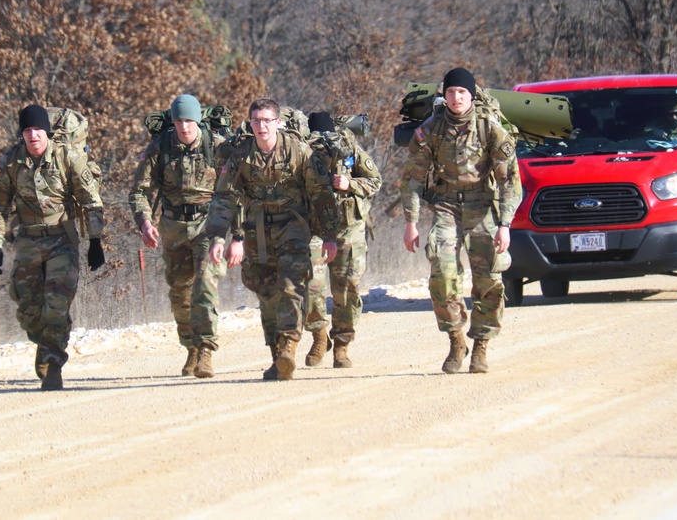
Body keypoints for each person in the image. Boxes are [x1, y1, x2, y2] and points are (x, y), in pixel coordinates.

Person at [207, 98, 340, 381]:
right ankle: (276, 354)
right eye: (256, 121)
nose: (261, 126)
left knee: (291, 285)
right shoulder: (241, 155)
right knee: (266, 294)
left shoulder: (298, 151)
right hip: (257, 230)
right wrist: (221, 237)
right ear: (250, 124)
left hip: (293, 225)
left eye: (267, 120)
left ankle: (289, 346)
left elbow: (321, 193)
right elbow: (224, 197)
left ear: (278, 122)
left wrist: (329, 235)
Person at [400, 68, 520, 374]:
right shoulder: (433, 128)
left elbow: (510, 181)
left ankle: (481, 345)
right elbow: (413, 176)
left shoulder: (489, 128)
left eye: (462, 93)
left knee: (489, 279)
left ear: (471, 95)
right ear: (445, 94)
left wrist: (505, 224)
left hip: (482, 206)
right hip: (446, 206)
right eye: (451, 92)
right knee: (441, 274)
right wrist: (411, 221)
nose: (456, 98)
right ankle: (456, 341)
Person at [0, 104, 106, 391]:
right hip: (27, 239)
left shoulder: (68, 157)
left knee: (56, 304)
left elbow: (91, 200)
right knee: (26, 305)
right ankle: (44, 344)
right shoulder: (11, 162)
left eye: (38, 129)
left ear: (47, 132)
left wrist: (95, 241)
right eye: (27, 130)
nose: (33, 135)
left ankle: (53, 364)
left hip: (61, 239)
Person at [128, 94, 231, 378]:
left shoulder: (218, 147)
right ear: (172, 121)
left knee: (206, 287)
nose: (184, 126)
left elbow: (236, 190)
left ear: (197, 120)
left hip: (209, 225)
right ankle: (191, 348)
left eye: (189, 120)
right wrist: (145, 222)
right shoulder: (159, 148)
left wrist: (237, 235)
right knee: (179, 293)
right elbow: (140, 191)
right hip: (173, 227)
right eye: (179, 120)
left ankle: (207, 350)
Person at [304, 111, 382, 368]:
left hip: (348, 228)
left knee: (346, 288)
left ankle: (342, 345)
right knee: (312, 286)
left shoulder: (349, 148)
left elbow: (375, 181)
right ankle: (319, 336)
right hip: (314, 228)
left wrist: (350, 184)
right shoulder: (302, 152)